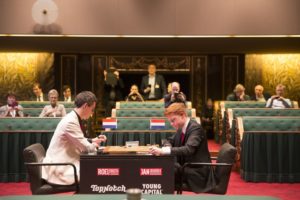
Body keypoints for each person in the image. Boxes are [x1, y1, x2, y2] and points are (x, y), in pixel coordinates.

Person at [42, 91, 107, 185]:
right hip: (61, 168)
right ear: (85, 106)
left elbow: (78, 139)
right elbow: (86, 148)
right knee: (97, 173)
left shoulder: (72, 117)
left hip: (67, 162)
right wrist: (96, 145)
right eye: (92, 109)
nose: (92, 113)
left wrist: (92, 140)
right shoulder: (70, 122)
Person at [149, 103, 211, 193]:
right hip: (186, 167)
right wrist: (167, 146)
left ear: (183, 115)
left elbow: (188, 149)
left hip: (197, 172)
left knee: (164, 172)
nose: (171, 124)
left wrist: (163, 151)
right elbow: (169, 140)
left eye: (173, 120)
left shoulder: (195, 129)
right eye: (170, 121)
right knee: (164, 168)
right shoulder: (181, 128)